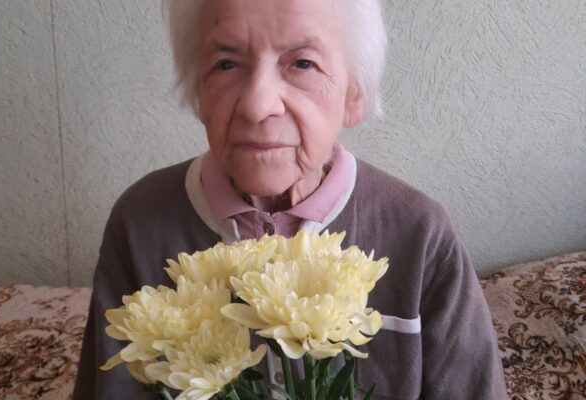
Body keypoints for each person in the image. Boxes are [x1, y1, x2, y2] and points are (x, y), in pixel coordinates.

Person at [73, 0, 508, 399]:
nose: (258, 105)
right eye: (226, 64)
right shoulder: (139, 224)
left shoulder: (420, 235)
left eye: (303, 63)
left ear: (353, 94)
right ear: (199, 92)